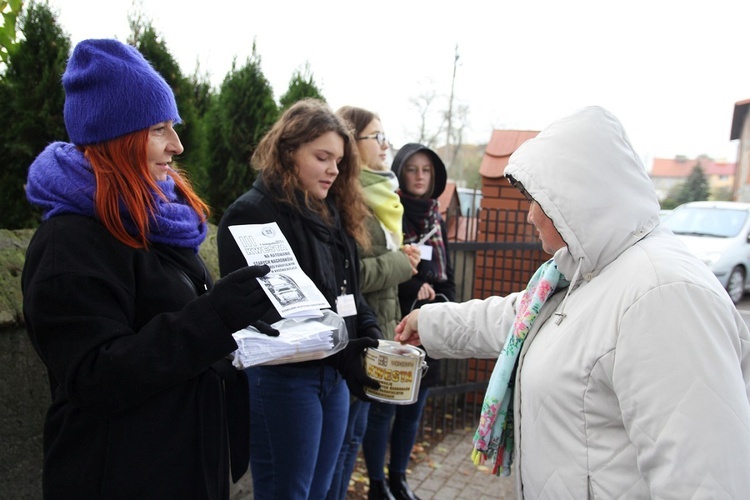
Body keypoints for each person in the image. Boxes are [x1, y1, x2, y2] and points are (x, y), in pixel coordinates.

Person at [395, 106, 750, 498]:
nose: (530, 216)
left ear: (578, 199)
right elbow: (517, 320)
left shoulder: (663, 294)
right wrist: (427, 323)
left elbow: (704, 480)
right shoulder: (587, 271)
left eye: (539, 200)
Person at [21, 39, 276, 499]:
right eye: (160, 129)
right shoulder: (70, 244)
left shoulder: (155, 222)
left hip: (184, 466)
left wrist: (238, 330)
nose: (177, 145)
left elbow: (172, 327)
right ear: (115, 137)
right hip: (120, 477)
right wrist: (214, 317)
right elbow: (94, 378)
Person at [216, 98, 383, 499]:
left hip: (333, 375)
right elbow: (281, 309)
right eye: (322, 156)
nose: (333, 169)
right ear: (288, 151)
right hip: (283, 379)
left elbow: (347, 290)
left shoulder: (328, 211)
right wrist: (346, 354)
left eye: (339, 160)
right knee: (288, 493)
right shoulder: (251, 215)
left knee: (320, 492)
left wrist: (369, 328)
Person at [327, 107, 420, 500]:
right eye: (376, 137)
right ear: (352, 142)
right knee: (340, 439)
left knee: (353, 437)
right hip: (352, 337)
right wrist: (401, 262)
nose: (385, 146)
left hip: (377, 327)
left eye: (386, 137)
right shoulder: (347, 199)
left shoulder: (382, 195)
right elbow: (348, 275)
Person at [363, 143, 456, 500]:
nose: (419, 177)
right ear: (401, 171)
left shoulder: (437, 219)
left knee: (412, 413)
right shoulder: (390, 212)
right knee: (384, 411)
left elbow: (448, 278)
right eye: (413, 169)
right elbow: (385, 272)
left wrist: (442, 300)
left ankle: (399, 479)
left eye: (426, 170)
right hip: (396, 327)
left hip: (427, 333)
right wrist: (416, 289)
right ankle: (376, 483)